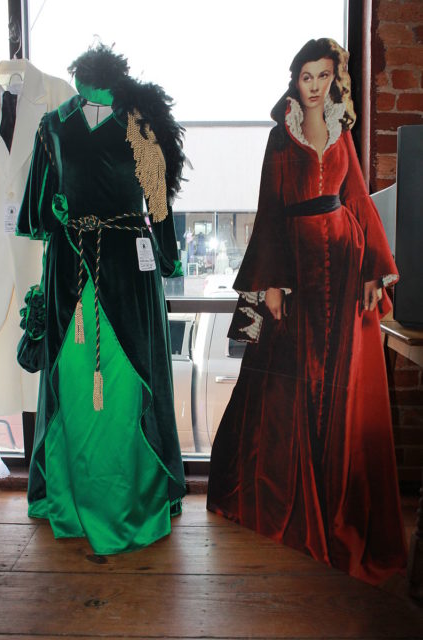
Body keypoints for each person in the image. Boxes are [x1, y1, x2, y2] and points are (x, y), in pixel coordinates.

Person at [207, 38, 407, 584]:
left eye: (322, 75)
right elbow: (269, 209)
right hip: (295, 270)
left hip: (343, 272)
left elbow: (358, 200)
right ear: (294, 81)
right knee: (288, 385)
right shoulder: (281, 136)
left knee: (338, 385)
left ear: (333, 80)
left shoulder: (342, 133)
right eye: (306, 76)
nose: (315, 85)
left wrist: (374, 270)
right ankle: (292, 503)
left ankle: (335, 495)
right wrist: (270, 282)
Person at [16, 44, 186, 554]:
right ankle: (71, 500)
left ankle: (132, 500)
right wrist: (59, 213)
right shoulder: (52, 126)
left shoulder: (140, 124)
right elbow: (38, 212)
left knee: (127, 387)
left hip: (128, 273)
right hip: (70, 270)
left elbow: (158, 203)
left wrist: (167, 256)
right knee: (72, 382)